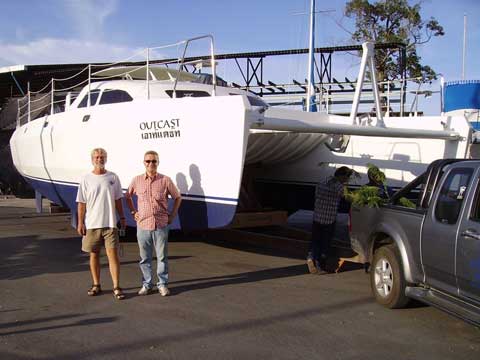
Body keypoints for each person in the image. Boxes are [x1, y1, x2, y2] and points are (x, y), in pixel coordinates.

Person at [126, 150, 182, 296]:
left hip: (161, 225)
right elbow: (127, 196)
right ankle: (147, 284)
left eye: (154, 161)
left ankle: (162, 284)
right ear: (144, 163)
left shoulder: (165, 180)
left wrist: (172, 215)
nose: (151, 163)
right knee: (145, 258)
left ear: (158, 162)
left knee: (162, 257)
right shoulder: (137, 180)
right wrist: (133, 212)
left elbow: (177, 197)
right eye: (148, 161)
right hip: (143, 226)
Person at [76, 148, 126, 300]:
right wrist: (80, 222)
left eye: (102, 157)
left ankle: (116, 286)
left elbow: (118, 199)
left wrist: (122, 217)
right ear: (92, 159)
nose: (100, 159)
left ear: (106, 158)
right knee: (94, 255)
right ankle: (96, 284)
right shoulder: (86, 179)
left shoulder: (113, 177)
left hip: (110, 223)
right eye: (97, 157)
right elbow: (81, 202)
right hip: (92, 224)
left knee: (113, 255)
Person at [307, 166, 353, 274]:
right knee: (325, 243)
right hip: (329, 219)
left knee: (315, 241)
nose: (347, 180)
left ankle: (311, 257)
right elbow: (348, 198)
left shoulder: (323, 181)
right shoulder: (339, 187)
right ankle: (320, 266)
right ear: (342, 176)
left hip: (317, 216)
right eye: (347, 178)